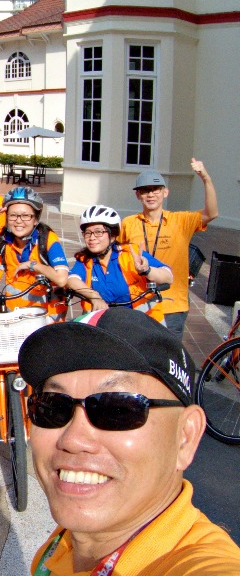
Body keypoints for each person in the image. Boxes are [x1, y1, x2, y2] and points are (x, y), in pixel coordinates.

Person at [19, 308, 240, 575]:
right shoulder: (62, 543)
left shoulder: (200, 563)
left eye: (117, 408)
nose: (73, 440)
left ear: (186, 436)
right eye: (53, 406)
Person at [118, 161, 218, 340]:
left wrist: (205, 178)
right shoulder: (128, 223)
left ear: (165, 192)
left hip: (172, 303)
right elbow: (118, 256)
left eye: (155, 190)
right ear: (138, 195)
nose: (151, 194)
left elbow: (211, 213)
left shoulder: (181, 221)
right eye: (145, 190)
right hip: (139, 301)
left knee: (168, 352)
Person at [0, 186, 69, 321]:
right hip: (14, 318)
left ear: (35, 219)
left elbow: (61, 279)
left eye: (26, 216)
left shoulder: (47, 240)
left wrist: (33, 265)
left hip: (46, 321)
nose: (19, 221)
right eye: (13, 215)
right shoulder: (2, 237)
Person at [66, 205, 173, 323]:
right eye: (87, 233)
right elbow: (71, 279)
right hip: (104, 324)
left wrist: (147, 270)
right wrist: (94, 297)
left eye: (98, 232)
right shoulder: (85, 259)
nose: (92, 237)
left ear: (112, 236)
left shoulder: (130, 253)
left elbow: (168, 277)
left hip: (143, 324)